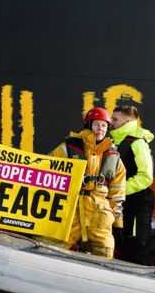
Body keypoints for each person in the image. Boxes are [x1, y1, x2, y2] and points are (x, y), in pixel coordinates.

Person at [44, 107, 127, 258]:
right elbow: (46, 171)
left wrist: (118, 224)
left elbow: (117, 194)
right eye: (96, 124)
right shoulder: (68, 148)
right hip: (69, 210)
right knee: (50, 247)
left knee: (105, 252)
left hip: (99, 215)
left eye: (103, 125)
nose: (100, 129)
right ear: (88, 125)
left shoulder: (113, 158)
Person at [110, 105, 155, 265]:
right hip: (120, 203)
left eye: (115, 119)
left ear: (128, 121)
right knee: (120, 243)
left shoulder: (137, 144)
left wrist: (118, 190)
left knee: (138, 244)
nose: (111, 122)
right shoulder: (113, 142)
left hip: (138, 204)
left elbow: (145, 177)